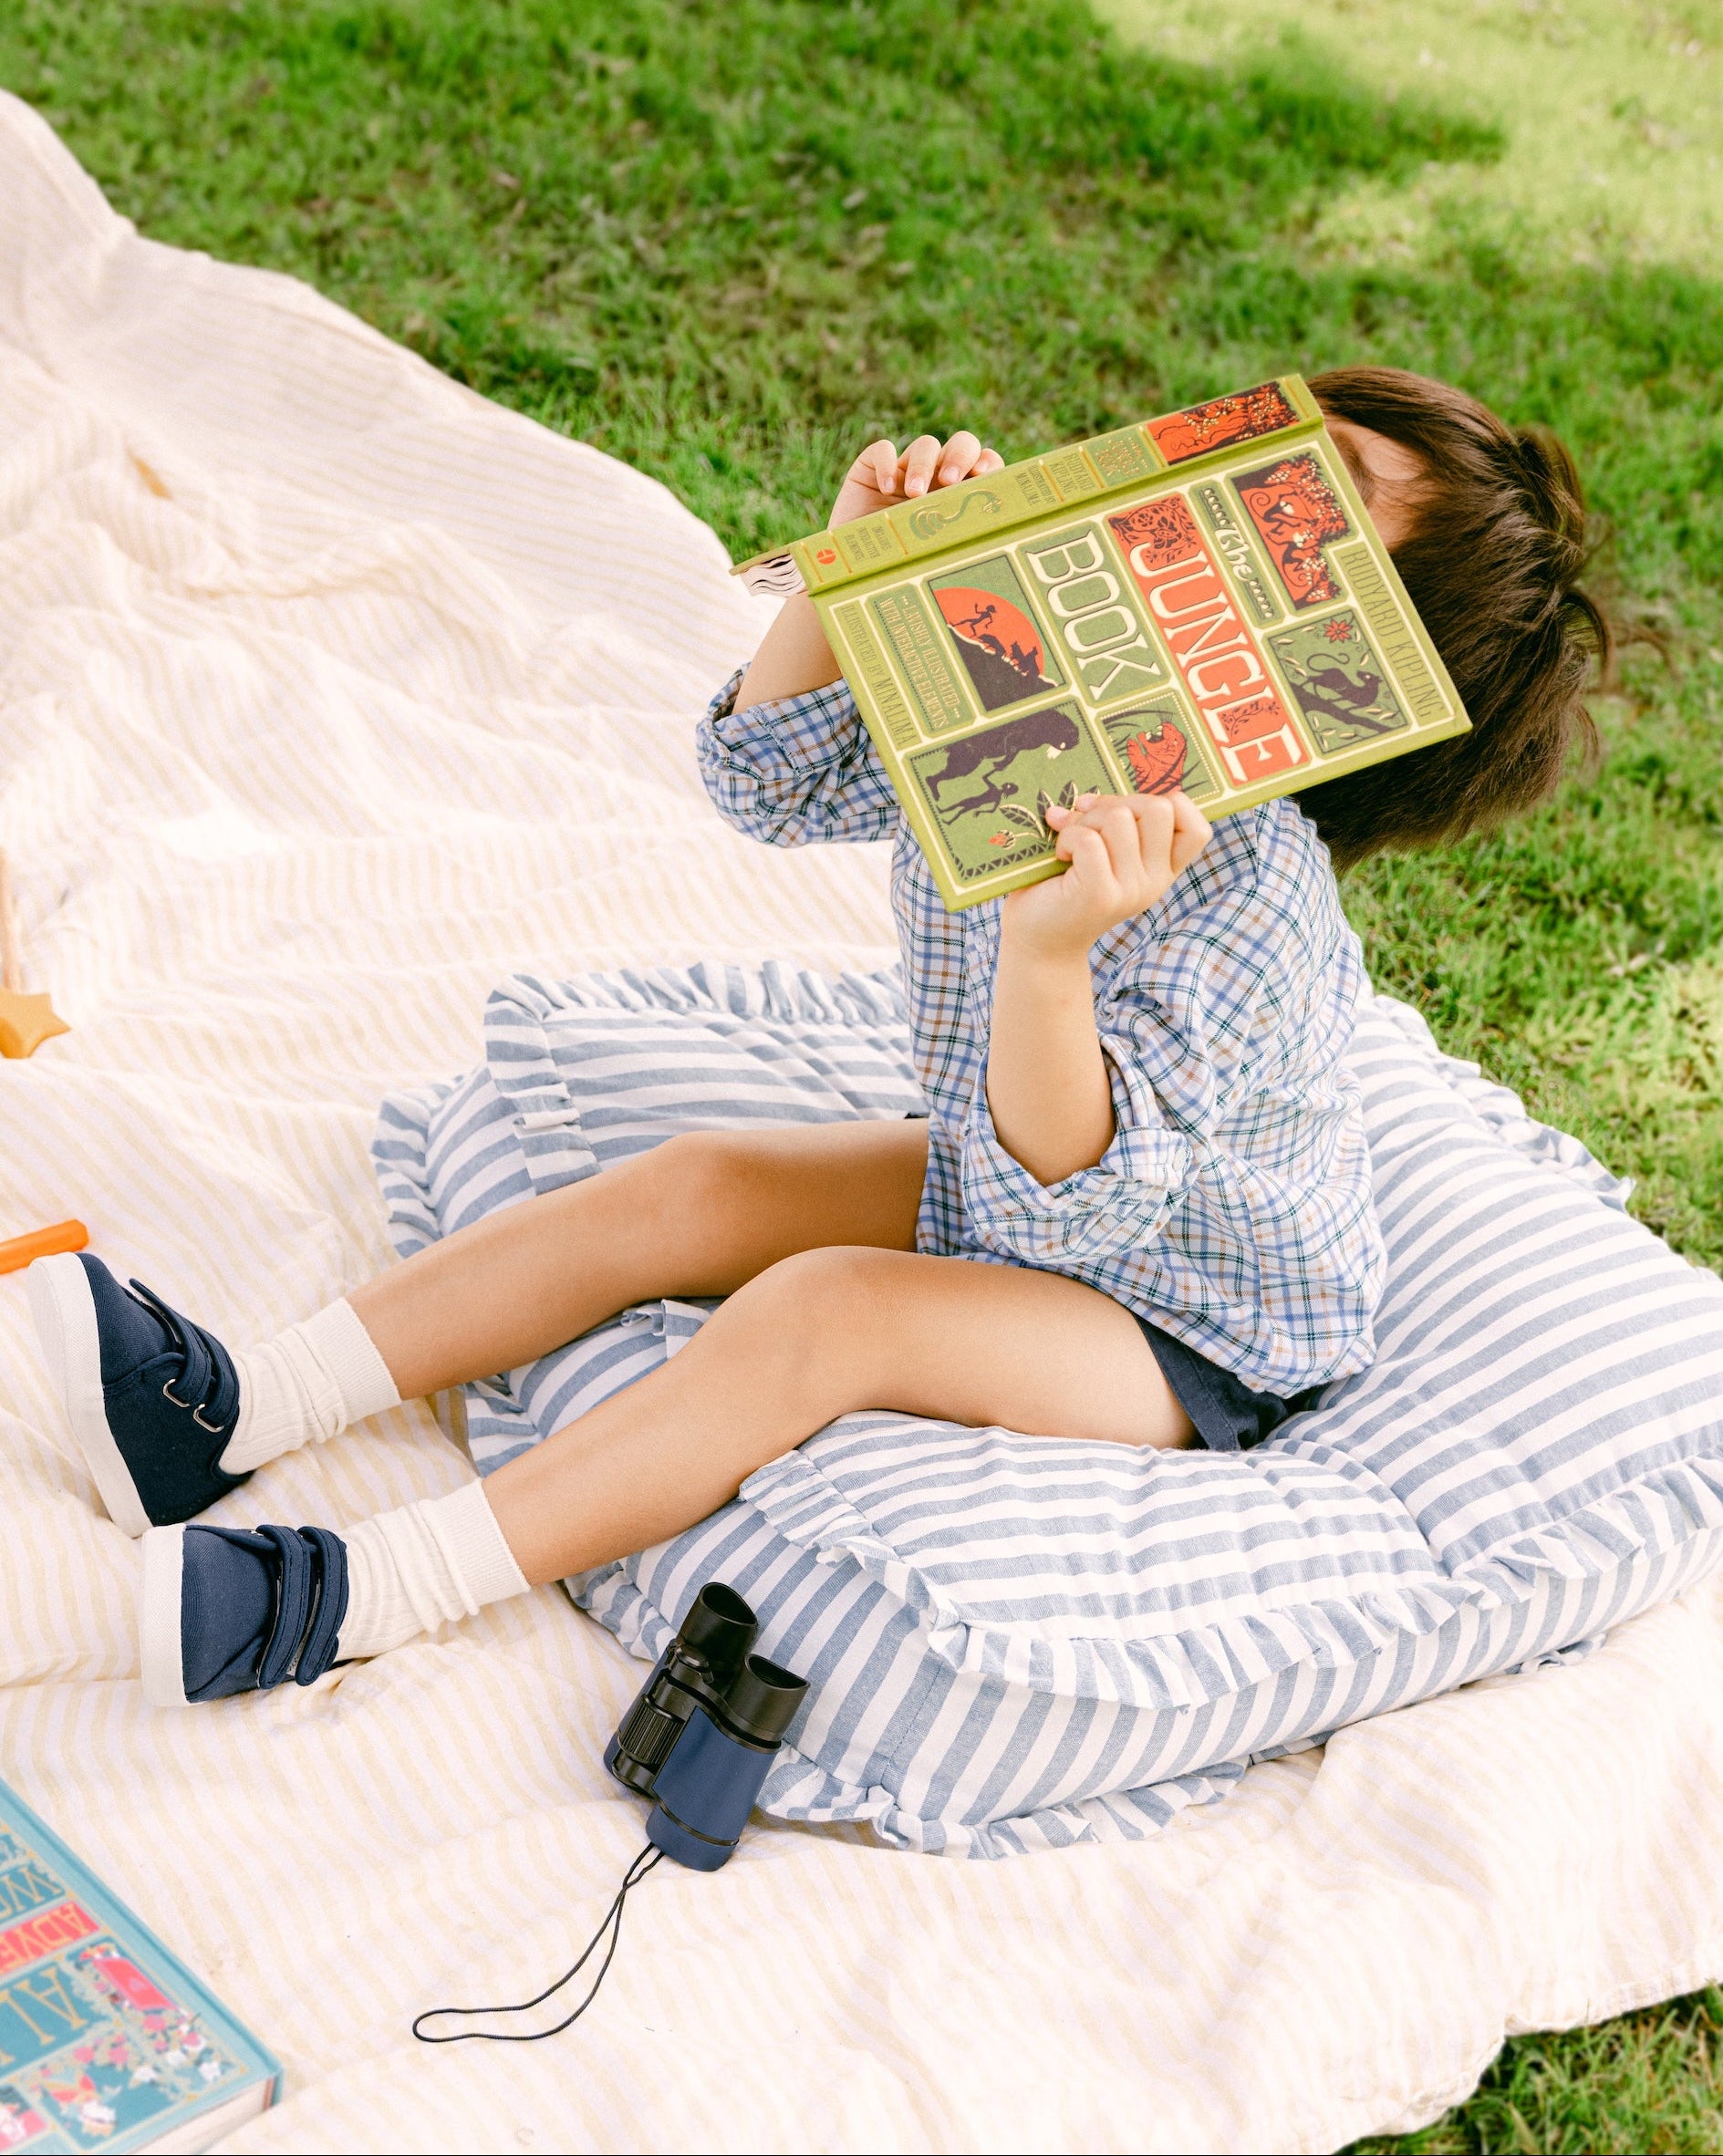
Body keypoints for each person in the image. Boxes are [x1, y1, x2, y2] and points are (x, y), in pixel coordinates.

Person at [27, 367, 1608, 1706]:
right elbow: (765, 786)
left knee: (826, 1312)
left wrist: (1050, 957)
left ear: (1332, 680)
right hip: (1017, 1185)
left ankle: (333, 1602)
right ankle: (227, 1404)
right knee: (697, 1183)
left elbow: (1075, 1196)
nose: (1224, 491)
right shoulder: (1016, 682)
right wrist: (855, 586)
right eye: (1257, 446)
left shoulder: (1243, 901)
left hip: (1186, 1322)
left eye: (1303, 512)